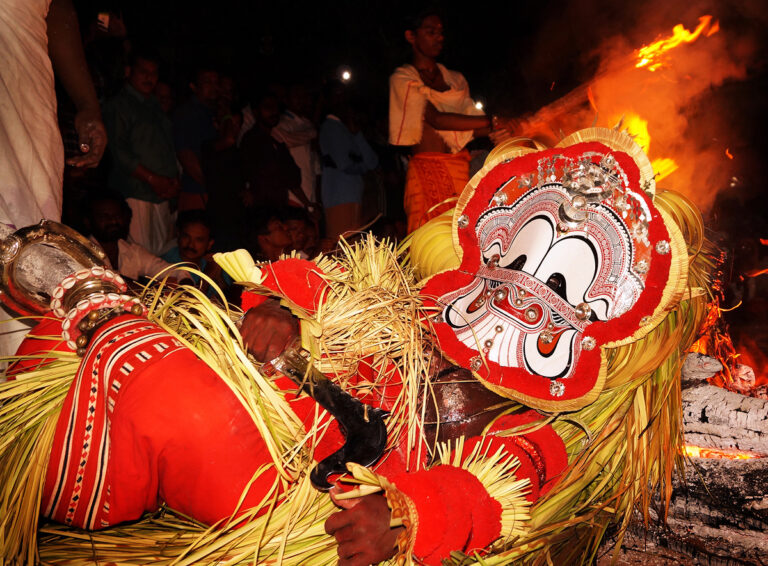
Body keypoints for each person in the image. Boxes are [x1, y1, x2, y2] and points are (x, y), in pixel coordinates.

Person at [1, 130, 714, 566]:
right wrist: (278, 303)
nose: (529, 287)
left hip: (299, 483)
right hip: (270, 391)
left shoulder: (535, 424)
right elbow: (315, 281)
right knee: (65, 348)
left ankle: (99, 306)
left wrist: (403, 517)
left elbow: (495, 494)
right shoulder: (420, 306)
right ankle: (96, 319)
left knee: (171, 400)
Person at [0, 0, 107, 366]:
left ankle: (22, 382)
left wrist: (87, 104)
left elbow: (58, 9)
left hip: (22, 82)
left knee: (27, 236)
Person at [388, 10, 510, 233]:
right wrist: (491, 122)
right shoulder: (403, 78)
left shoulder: (456, 79)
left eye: (441, 32)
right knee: (428, 242)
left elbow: (470, 127)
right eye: (431, 32)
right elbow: (437, 120)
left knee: (461, 236)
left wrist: (504, 129)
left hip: (459, 169)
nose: (439, 37)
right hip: (425, 170)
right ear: (411, 36)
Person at [103, 47, 179, 256]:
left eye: (153, 73)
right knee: (139, 259)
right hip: (135, 194)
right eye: (143, 71)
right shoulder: (119, 105)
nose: (149, 77)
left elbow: (166, 149)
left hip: (162, 196)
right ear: (129, 72)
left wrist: (171, 182)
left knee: (161, 259)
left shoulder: (154, 105)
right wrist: (153, 179)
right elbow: (119, 153)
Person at [319, 83, 379, 241]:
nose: (341, 99)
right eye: (336, 95)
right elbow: (345, 164)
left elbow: (372, 161)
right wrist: (363, 166)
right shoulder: (330, 127)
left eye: (343, 95)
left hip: (355, 194)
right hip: (338, 195)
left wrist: (357, 134)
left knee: (353, 245)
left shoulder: (348, 128)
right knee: (340, 246)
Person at [85, 190, 181, 282]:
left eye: (117, 216)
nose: (113, 221)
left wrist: (183, 281)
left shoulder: (132, 251)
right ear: (88, 222)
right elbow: (109, 282)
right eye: (105, 217)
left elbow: (174, 272)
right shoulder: (82, 253)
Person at [173, 65, 220, 211]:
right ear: (194, 86)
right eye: (207, 82)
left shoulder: (215, 112)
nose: (213, 87)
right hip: (198, 192)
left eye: (216, 82)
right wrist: (212, 188)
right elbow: (186, 155)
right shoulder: (186, 114)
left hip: (213, 191)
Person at [272, 82, 323, 212]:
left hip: (311, 199)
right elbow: (286, 140)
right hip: (292, 197)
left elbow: (316, 168)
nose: (300, 99)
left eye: (303, 95)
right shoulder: (281, 123)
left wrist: (315, 200)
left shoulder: (307, 124)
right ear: (286, 99)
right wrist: (313, 133)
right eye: (296, 95)